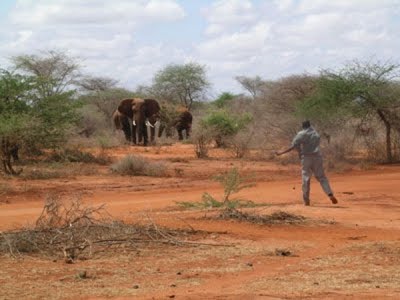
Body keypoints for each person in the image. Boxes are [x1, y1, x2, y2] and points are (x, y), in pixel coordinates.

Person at [275, 120, 338, 206]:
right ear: (310, 125)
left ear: (303, 126)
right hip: (317, 157)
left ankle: (306, 200)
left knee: (306, 178)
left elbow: (294, 146)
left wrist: (281, 153)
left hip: (306, 158)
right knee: (322, 177)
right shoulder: (315, 133)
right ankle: (330, 194)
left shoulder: (301, 134)